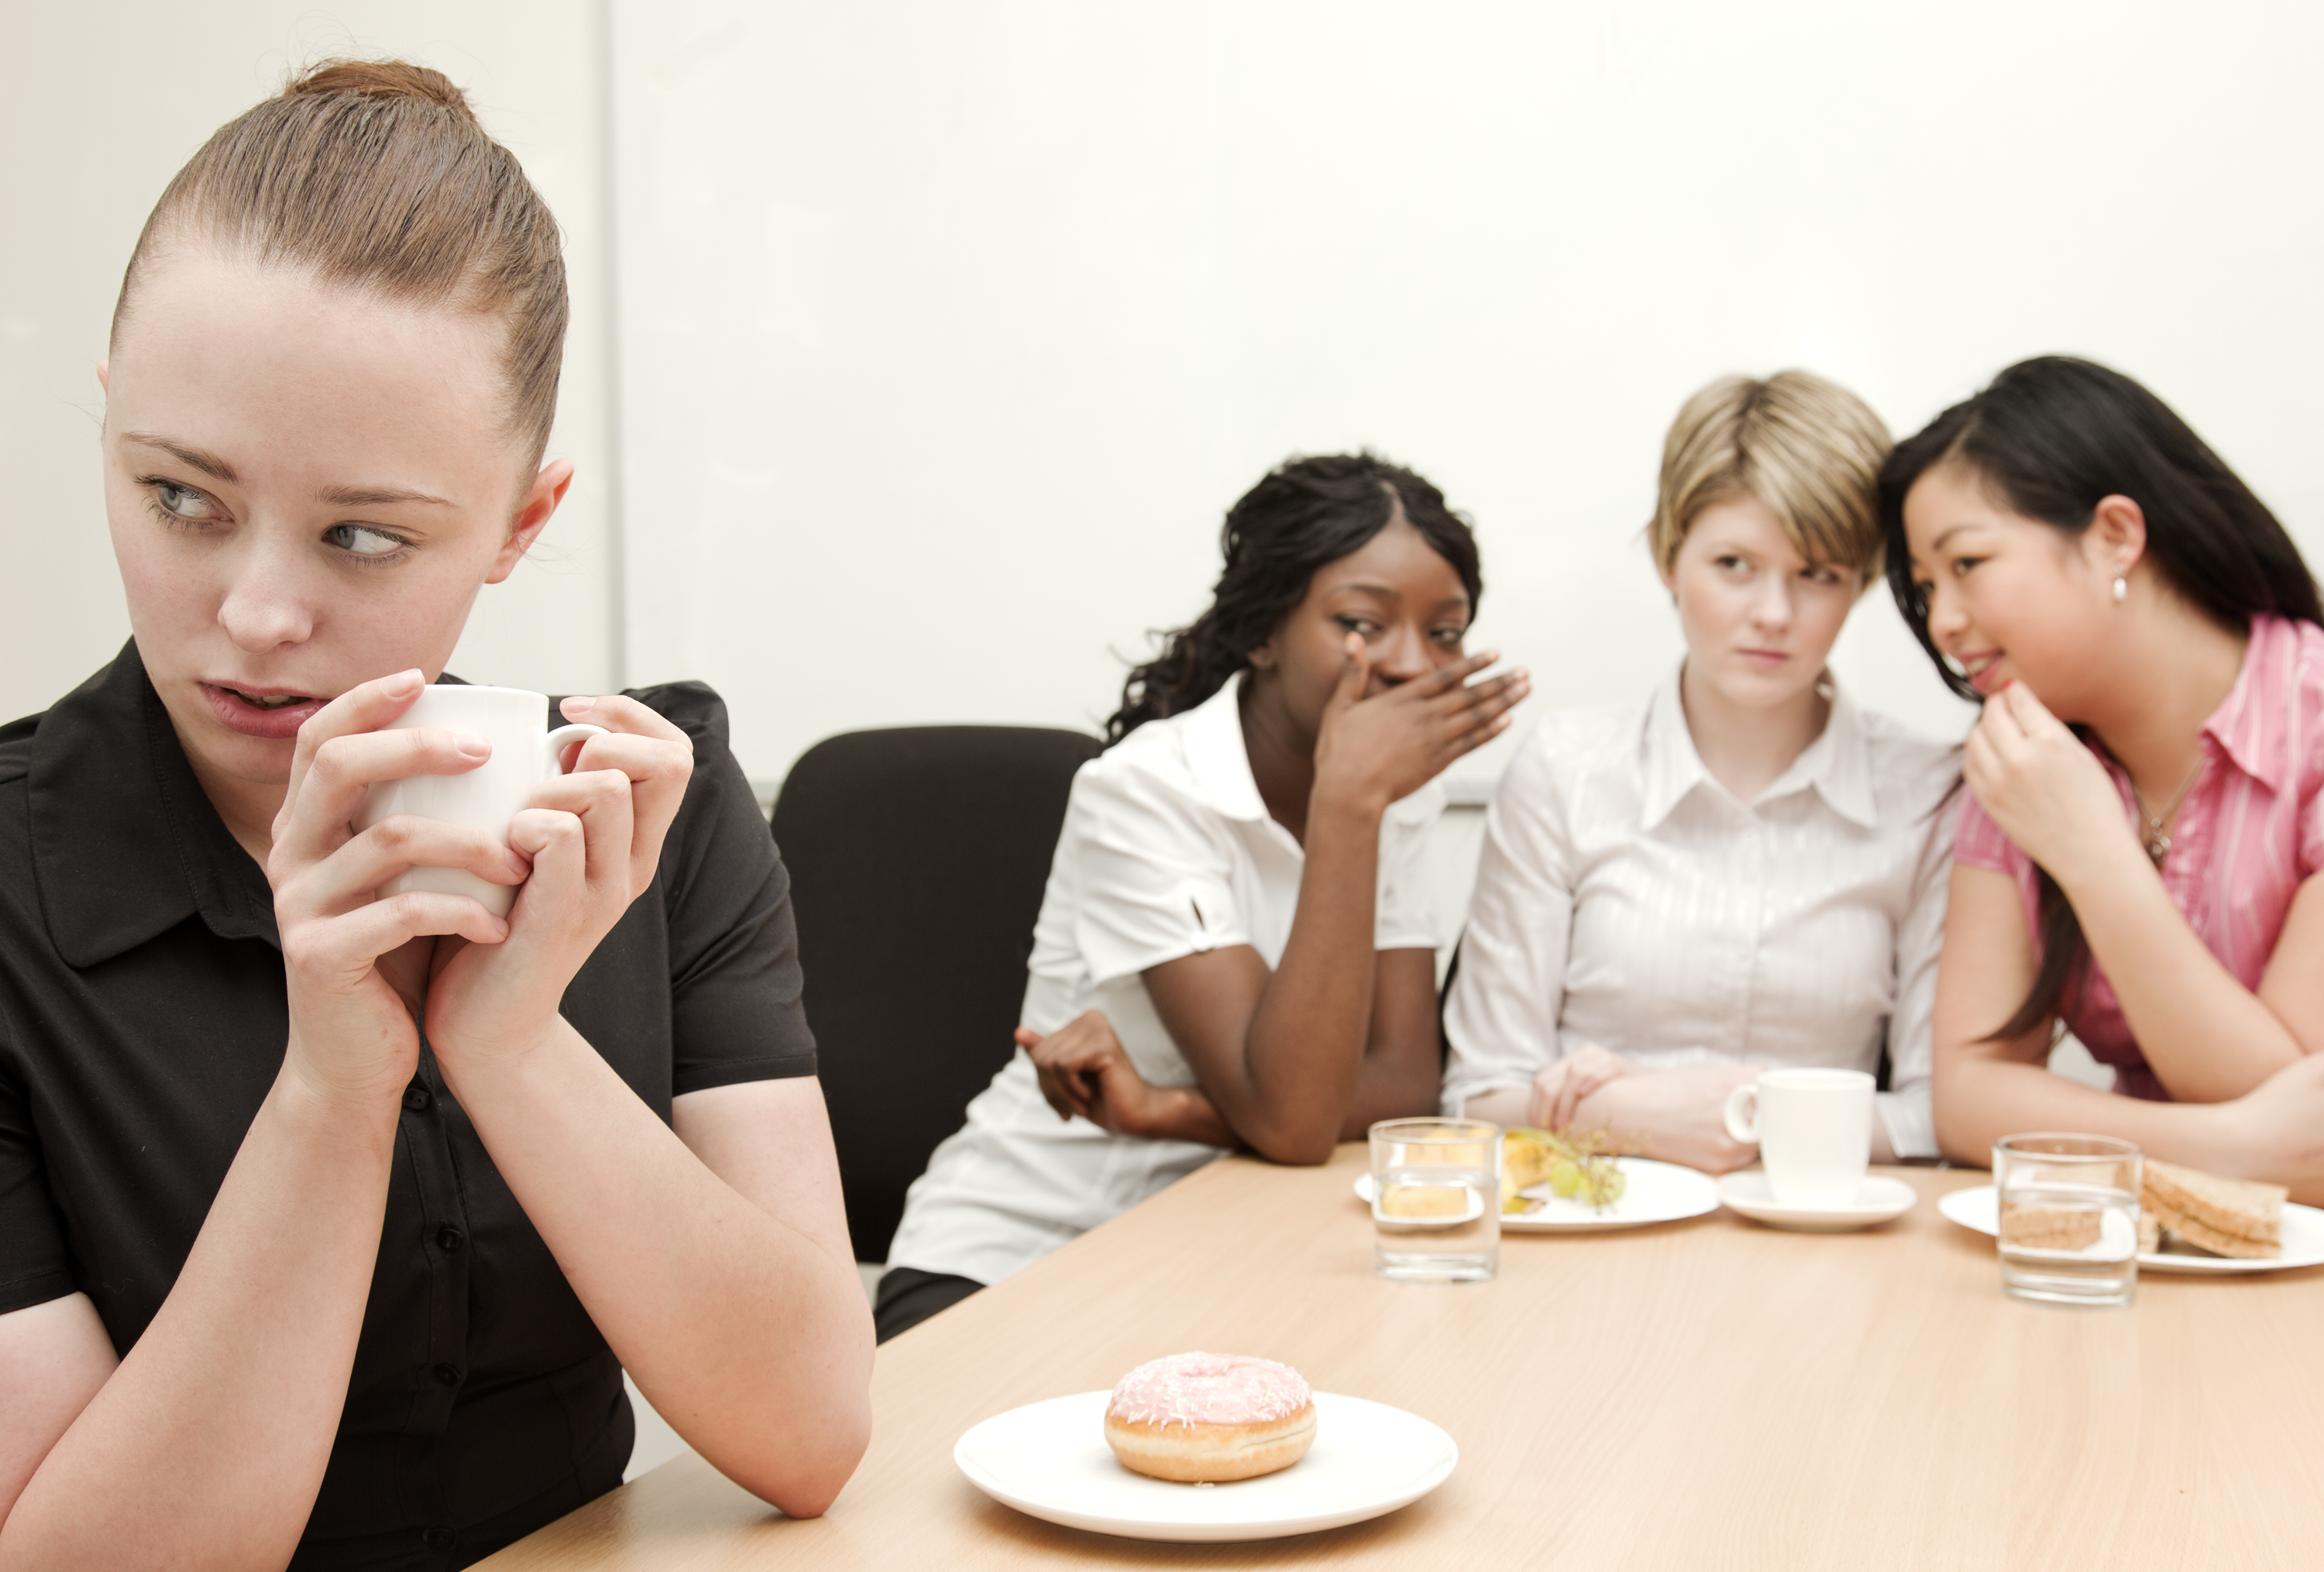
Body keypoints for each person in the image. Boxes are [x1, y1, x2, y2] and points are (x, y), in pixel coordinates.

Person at [0, 63, 871, 1570]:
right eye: (181, 498)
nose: (256, 614)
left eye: (360, 535)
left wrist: (510, 1035)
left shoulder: (652, 808)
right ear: (111, 431)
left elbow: (807, 1431)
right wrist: (335, 1089)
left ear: (522, 522)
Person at [874, 455, 1528, 1340]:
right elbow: (1298, 1117)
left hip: (1226, 1254)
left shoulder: (1393, 794)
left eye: (1446, 632)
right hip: (1024, 1259)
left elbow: (1404, 1087)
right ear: (1263, 632)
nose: (1414, 664)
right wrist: (1348, 805)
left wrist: (1171, 1110)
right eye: (1363, 621)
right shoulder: (1144, 793)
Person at [1443, 372, 1957, 1169]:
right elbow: (1479, 1095)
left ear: (1859, 583)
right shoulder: (1566, 771)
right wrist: (1629, 1120)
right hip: (1588, 1232)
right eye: (1733, 564)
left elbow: (1937, 1116)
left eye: (1817, 574)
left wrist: (1740, 1114)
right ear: (1666, 556)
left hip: (1815, 1237)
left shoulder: (1927, 794)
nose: (1774, 614)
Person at [1885, 356, 2324, 1198]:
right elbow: (1969, 1098)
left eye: (1967, 564)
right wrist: (2231, 1150)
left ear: (2115, 534)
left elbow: (2302, 1116)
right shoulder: (2022, 753)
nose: (1942, 621)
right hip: (2145, 1246)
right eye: (1925, 585)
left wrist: (2093, 854)